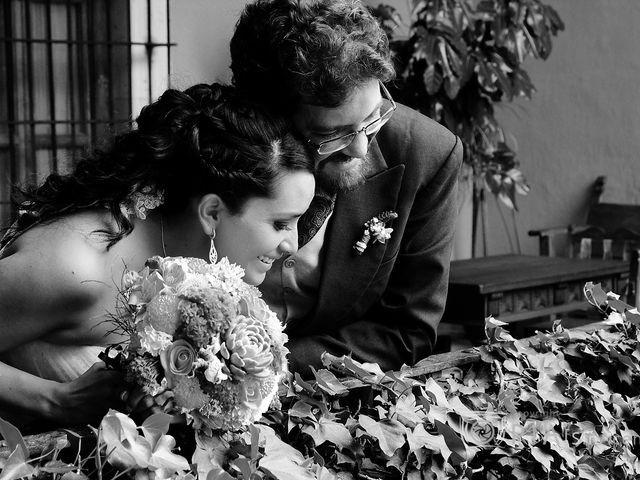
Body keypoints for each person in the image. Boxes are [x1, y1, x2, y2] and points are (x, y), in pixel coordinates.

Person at [0, 82, 314, 429]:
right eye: (281, 223)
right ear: (212, 212)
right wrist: (55, 402)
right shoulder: (75, 266)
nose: (292, 245)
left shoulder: (199, 266)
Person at [230, 0, 464, 376]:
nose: (360, 148)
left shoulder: (429, 154)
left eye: (374, 118)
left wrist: (259, 369)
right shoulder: (215, 145)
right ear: (269, 119)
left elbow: (406, 332)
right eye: (331, 134)